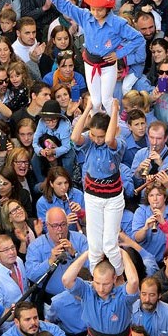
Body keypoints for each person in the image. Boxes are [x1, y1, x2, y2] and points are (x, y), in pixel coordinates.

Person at [46, 0, 145, 116]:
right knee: (96, 101)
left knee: (106, 99)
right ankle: (95, 127)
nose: (96, 13)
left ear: (108, 8)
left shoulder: (118, 23)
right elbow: (68, 7)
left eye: (100, 10)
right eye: (93, 9)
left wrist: (119, 54)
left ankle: (114, 126)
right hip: (90, 63)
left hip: (108, 64)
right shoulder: (86, 16)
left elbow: (138, 38)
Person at [62, 249, 139, 336]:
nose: (101, 288)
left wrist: (123, 254)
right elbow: (66, 279)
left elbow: (133, 282)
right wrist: (87, 253)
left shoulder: (122, 294)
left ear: (114, 279)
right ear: (92, 278)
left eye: (106, 284)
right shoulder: (87, 290)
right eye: (97, 283)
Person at [71, 98, 125, 275]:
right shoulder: (89, 141)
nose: (96, 139)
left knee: (109, 245)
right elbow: (74, 137)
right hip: (93, 196)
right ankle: (97, 280)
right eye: (93, 134)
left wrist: (114, 110)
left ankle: (119, 275)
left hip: (112, 198)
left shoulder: (117, 144)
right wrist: (87, 109)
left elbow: (109, 139)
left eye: (99, 135)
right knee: (94, 247)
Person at [25, 207, 88, 311]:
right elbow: (31, 275)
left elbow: (92, 267)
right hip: (51, 302)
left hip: (79, 299)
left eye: (63, 224)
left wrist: (74, 253)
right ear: (47, 226)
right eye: (55, 226)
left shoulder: (80, 239)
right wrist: (50, 261)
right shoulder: (35, 246)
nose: (60, 229)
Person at [132, 183, 168, 263]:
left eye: (158, 195)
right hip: (142, 259)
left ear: (165, 197)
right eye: (151, 195)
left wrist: (163, 223)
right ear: (148, 198)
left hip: (165, 261)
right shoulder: (141, 212)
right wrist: (145, 228)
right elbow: (136, 238)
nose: (155, 199)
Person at [37, 166, 85, 232]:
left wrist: (80, 213)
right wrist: (63, 224)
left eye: (66, 183)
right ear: (51, 184)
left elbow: (87, 223)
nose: (64, 187)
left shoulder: (78, 194)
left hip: (77, 234)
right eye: (59, 184)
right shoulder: (42, 203)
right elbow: (46, 230)